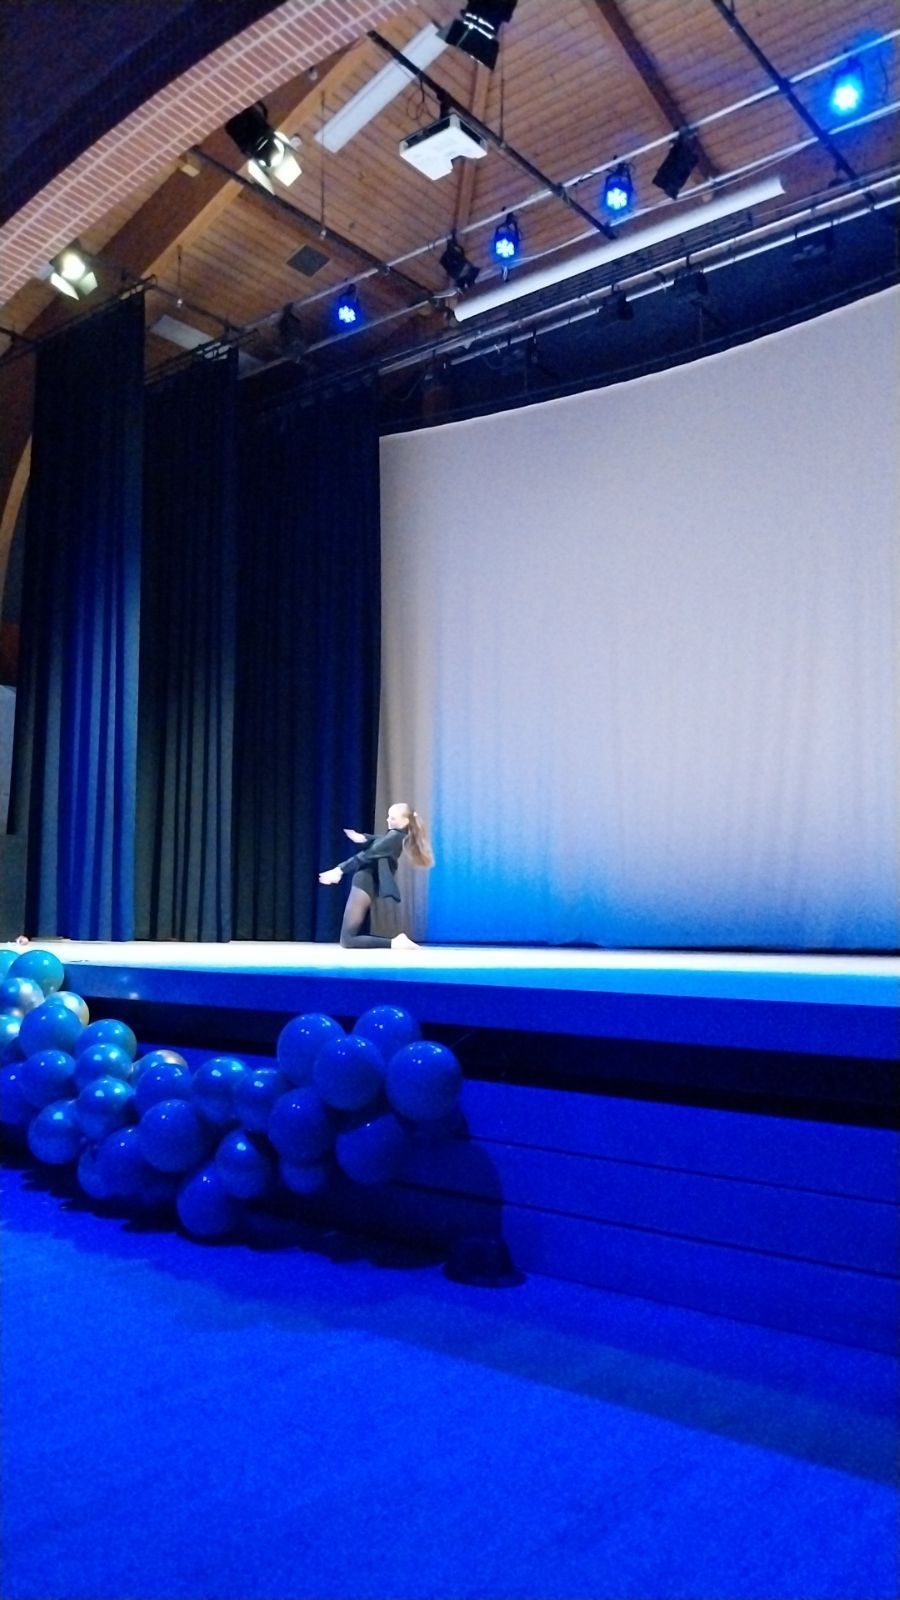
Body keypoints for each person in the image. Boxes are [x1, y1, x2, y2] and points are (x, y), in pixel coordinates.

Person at [318, 802, 434, 949]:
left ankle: (396, 942)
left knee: (348, 940)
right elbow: (380, 840)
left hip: (365, 879)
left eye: (392, 818)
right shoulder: (397, 836)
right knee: (348, 939)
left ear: (405, 821)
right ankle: (395, 943)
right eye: (388, 816)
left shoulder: (395, 837)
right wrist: (364, 837)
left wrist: (339, 870)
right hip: (368, 879)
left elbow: (367, 854)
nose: (388, 820)